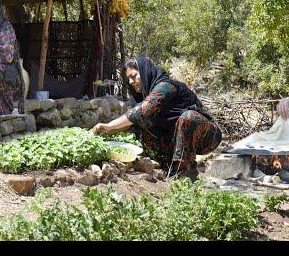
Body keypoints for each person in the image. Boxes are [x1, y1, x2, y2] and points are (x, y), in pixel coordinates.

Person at [91, 56, 222, 176]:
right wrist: (104, 132)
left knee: (188, 117)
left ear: (144, 71)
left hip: (207, 136)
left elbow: (140, 112)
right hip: (178, 137)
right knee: (144, 124)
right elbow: (133, 122)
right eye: (128, 79)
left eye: (134, 76)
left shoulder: (166, 87)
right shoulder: (141, 97)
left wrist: (108, 126)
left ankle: (183, 171)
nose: (131, 81)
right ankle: (165, 164)